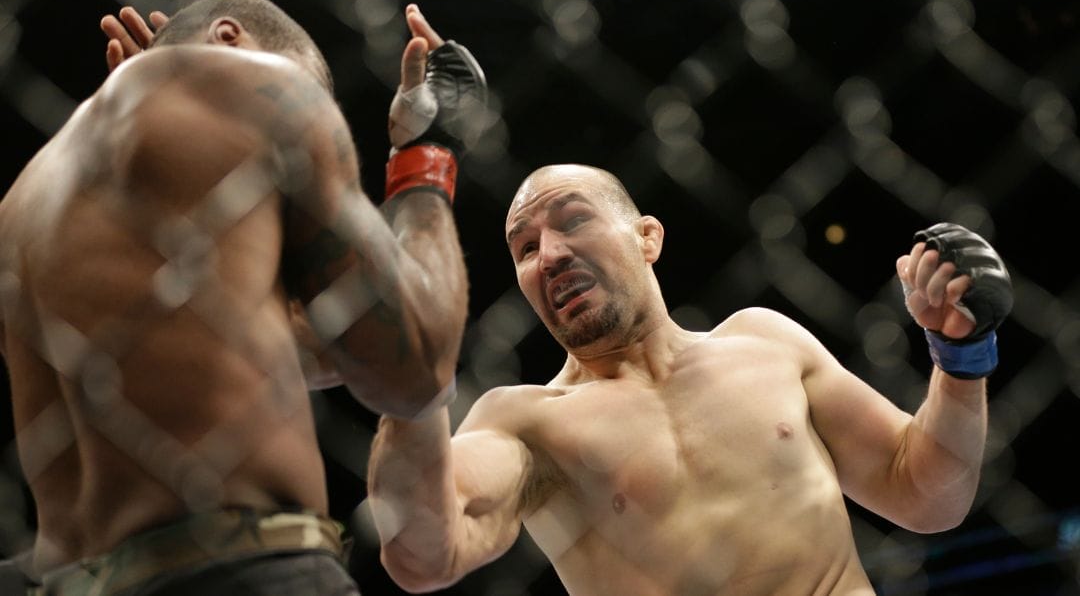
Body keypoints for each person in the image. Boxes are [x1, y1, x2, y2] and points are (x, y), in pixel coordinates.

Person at [0, 0, 486, 594]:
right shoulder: (257, 89)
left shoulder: (24, 201)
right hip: (244, 569)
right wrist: (427, 153)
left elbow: (254, 345)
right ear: (230, 39)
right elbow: (417, 366)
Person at [366, 164, 1013, 594]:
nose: (551, 254)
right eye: (525, 247)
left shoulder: (765, 344)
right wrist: (409, 388)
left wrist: (961, 354)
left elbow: (926, 494)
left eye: (571, 220)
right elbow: (423, 551)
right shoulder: (527, 423)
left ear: (646, 237)